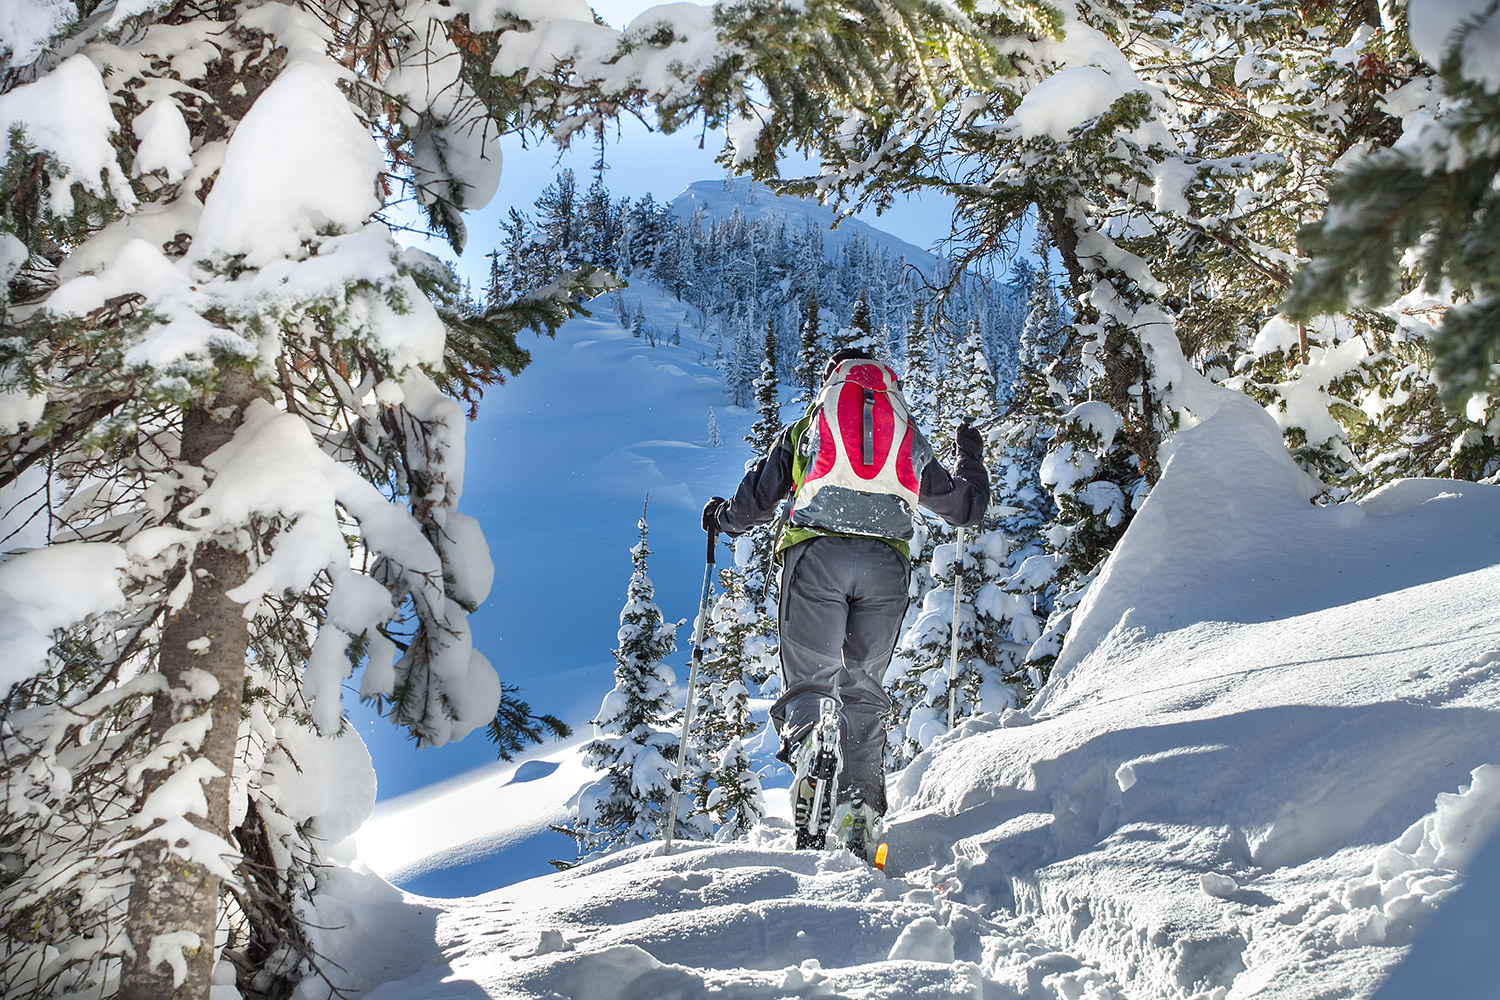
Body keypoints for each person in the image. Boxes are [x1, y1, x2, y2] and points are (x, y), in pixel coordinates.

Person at [701, 347, 989, 858]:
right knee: (862, 687)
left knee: (811, 678)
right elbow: (964, 508)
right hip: (886, 567)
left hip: (817, 556)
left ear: (832, 381)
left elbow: (757, 503)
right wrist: (972, 455)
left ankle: (813, 748)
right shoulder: (906, 436)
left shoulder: (809, 426)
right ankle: (860, 811)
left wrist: (722, 519)